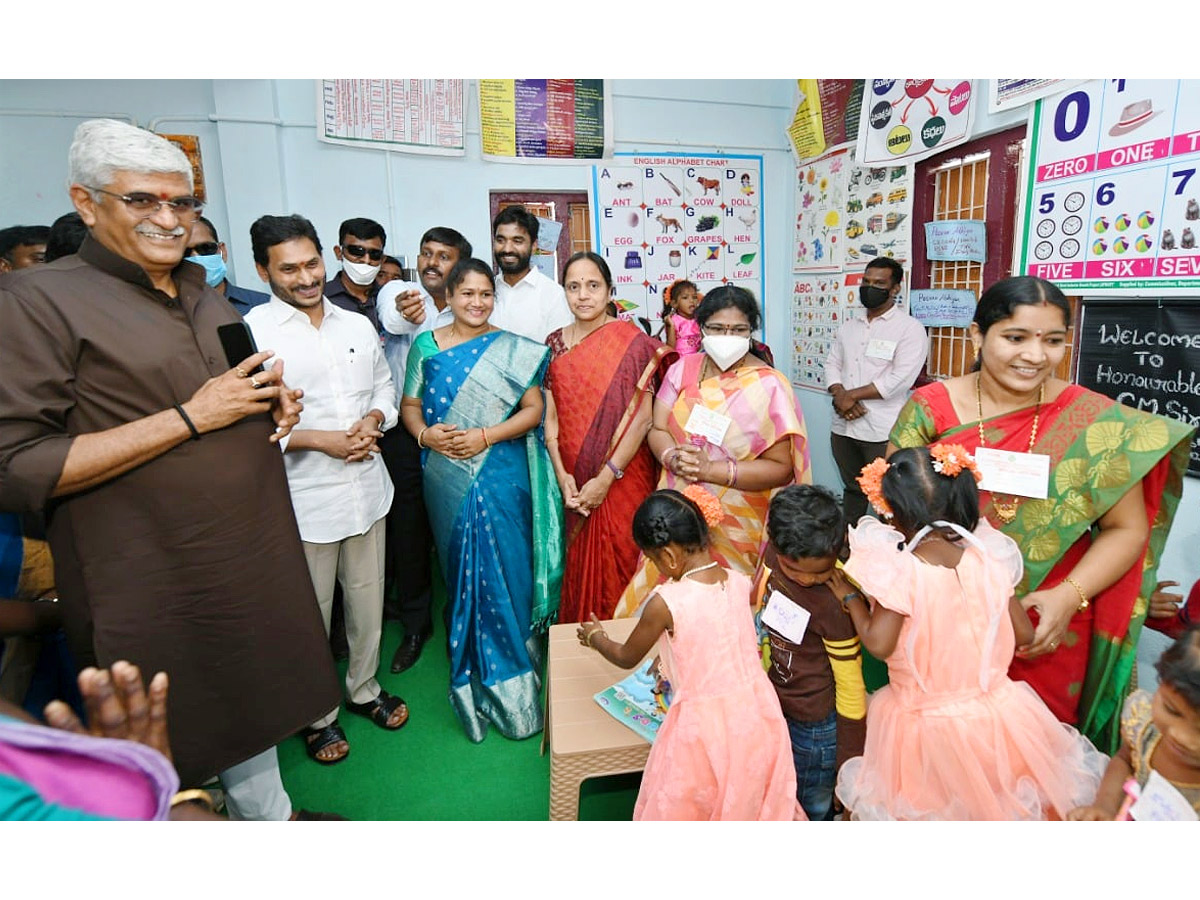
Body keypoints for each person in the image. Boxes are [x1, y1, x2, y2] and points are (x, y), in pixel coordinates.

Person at [0, 119, 341, 821]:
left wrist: (269, 407)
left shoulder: (200, 288)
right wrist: (193, 417)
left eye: (181, 202)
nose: (168, 219)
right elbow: (16, 465)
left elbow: (234, 386)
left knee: (252, 698)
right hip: (152, 570)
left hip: (247, 549)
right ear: (87, 203)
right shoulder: (36, 302)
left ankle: (268, 820)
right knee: (168, 720)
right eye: (142, 201)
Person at [888, 276, 1193, 751]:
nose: (1035, 356)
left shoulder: (1094, 421)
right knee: (950, 751)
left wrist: (1067, 598)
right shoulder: (931, 408)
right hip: (947, 618)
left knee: (1041, 753)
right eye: (1015, 338)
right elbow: (894, 510)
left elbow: (1126, 529)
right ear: (977, 336)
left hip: (1049, 620)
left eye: (1053, 341)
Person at [831, 445, 1107, 819]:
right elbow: (1024, 636)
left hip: (925, 728)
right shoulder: (988, 557)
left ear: (893, 513)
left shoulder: (901, 570)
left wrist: (851, 598)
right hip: (999, 716)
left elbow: (879, 643)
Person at [244, 214, 408, 766]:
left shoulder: (356, 325)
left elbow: (385, 386)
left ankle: (363, 690)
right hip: (303, 500)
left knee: (367, 602)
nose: (306, 277)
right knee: (311, 613)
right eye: (288, 268)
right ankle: (317, 715)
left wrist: (373, 421)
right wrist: (320, 440)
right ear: (262, 270)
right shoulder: (254, 333)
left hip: (367, 489)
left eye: (312, 263)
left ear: (326, 258)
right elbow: (244, 425)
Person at [400, 257, 563, 742]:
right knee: (460, 569)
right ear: (447, 297)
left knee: (507, 567)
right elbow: (410, 405)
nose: (476, 302)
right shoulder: (426, 345)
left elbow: (533, 410)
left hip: (501, 470)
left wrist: (485, 436)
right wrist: (426, 436)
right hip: (444, 471)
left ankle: (514, 675)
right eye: (466, 293)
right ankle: (473, 659)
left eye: (485, 294)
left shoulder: (514, 350)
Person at [577, 488, 801, 820]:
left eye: (653, 560)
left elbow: (625, 656)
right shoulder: (738, 582)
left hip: (706, 729)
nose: (658, 567)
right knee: (747, 800)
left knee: (696, 804)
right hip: (759, 714)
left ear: (668, 556)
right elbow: (712, 641)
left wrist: (597, 638)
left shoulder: (666, 601)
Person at [614, 285, 810, 617]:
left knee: (727, 611)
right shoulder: (682, 370)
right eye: (717, 328)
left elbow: (782, 468)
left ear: (751, 332)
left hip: (741, 521)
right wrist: (672, 458)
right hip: (678, 509)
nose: (727, 336)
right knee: (667, 602)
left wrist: (711, 471)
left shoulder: (769, 385)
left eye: (738, 330)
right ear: (701, 327)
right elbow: (658, 428)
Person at [543, 252, 676, 622]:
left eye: (592, 286)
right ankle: (582, 657)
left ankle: (632, 657)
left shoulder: (634, 343)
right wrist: (561, 475)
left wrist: (606, 477)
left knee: (624, 553)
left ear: (609, 290)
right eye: (573, 287)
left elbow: (643, 420)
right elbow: (549, 416)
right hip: (571, 476)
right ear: (564, 292)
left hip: (622, 475)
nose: (583, 295)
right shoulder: (554, 343)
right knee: (577, 562)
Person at [375, 226, 473, 673]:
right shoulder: (401, 292)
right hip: (405, 436)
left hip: (458, 435)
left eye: (444, 256)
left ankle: (465, 617)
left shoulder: (469, 308)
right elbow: (394, 315)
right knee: (409, 533)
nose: (432, 262)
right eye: (426, 253)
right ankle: (417, 626)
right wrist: (401, 310)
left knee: (459, 530)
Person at [751, 484, 866, 821]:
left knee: (809, 806)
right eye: (794, 569)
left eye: (821, 571)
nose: (807, 579)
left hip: (816, 730)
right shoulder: (775, 555)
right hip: (775, 704)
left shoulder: (835, 605)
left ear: (839, 547)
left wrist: (847, 765)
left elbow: (851, 689)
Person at [825, 257, 928, 523]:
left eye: (879, 283)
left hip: (881, 430)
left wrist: (851, 396)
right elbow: (832, 363)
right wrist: (839, 394)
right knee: (852, 489)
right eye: (867, 282)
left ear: (895, 288)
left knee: (887, 496)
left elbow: (899, 379)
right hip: (842, 426)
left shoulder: (910, 329)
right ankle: (848, 545)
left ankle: (886, 553)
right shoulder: (849, 326)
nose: (870, 288)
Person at [1069, 624, 1200, 820]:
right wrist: (1105, 806)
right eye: (1171, 710)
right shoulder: (1144, 725)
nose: (1180, 735)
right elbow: (1125, 760)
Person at [487, 205, 572, 343]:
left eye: (517, 241)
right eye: (500, 240)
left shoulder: (554, 296)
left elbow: (559, 356)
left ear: (533, 246)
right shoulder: (485, 291)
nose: (507, 248)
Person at [183, 215, 269, 314]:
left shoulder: (262, 305)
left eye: (205, 248)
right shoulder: (167, 314)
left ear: (222, 251)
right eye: (185, 252)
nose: (196, 257)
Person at [658, 279, 701, 354]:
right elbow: (670, 348)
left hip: (697, 361)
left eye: (694, 297)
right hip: (680, 361)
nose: (691, 301)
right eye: (685, 298)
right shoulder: (673, 321)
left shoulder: (699, 319)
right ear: (674, 304)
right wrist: (671, 326)